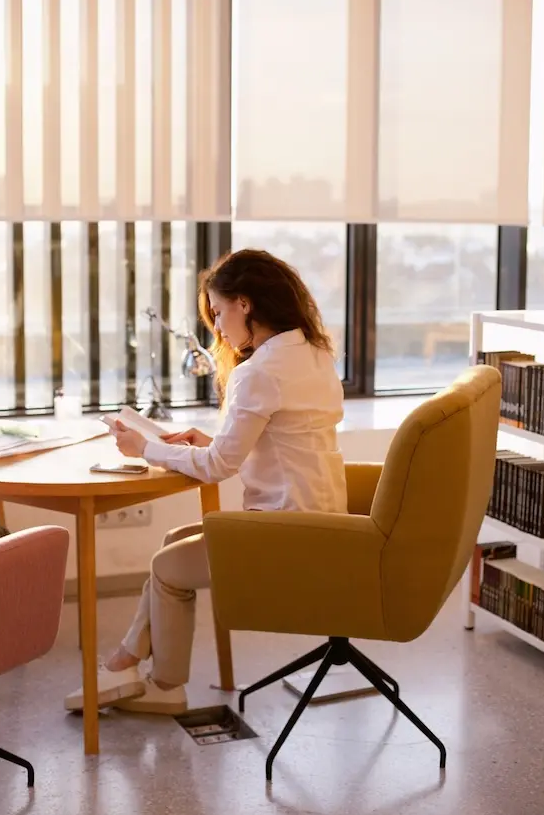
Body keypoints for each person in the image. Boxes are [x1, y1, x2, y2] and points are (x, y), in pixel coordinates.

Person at [64, 248, 348, 714]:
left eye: (218, 312)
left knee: (166, 569)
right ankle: (127, 662)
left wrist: (145, 448)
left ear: (245, 304)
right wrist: (209, 439)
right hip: (323, 520)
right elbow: (282, 436)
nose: (217, 327)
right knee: (176, 540)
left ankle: (163, 684)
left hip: (288, 533)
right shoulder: (314, 354)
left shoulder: (260, 371)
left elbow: (219, 466)